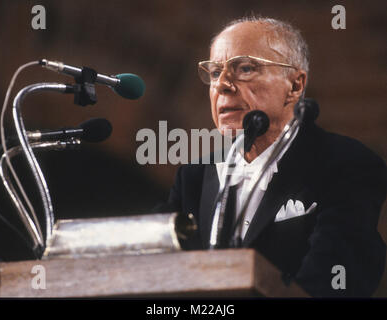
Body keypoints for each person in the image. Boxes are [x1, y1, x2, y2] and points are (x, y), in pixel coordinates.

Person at [159, 17, 387, 297]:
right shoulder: (193, 177)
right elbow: (158, 271)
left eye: (244, 68)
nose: (222, 85)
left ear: (294, 85)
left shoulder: (346, 164)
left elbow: (332, 282)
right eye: (216, 72)